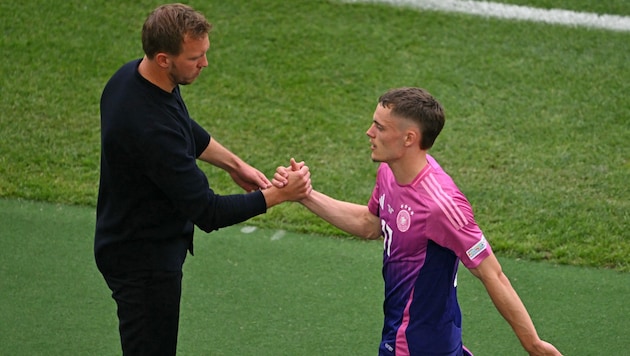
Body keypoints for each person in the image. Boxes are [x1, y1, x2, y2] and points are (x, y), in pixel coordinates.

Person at [273, 87, 562, 355]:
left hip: (419, 345)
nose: (369, 132)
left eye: (380, 127)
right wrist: (304, 195)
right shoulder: (390, 173)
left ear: (409, 138)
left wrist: (533, 344)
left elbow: (492, 274)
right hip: (403, 333)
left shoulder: (441, 205)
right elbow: (369, 223)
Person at [94, 4, 311, 355]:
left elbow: (182, 126)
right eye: (196, 57)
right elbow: (208, 212)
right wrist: (278, 196)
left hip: (129, 240)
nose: (205, 64)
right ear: (164, 58)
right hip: (143, 261)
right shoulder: (150, 129)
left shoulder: (132, 78)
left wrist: (233, 164)